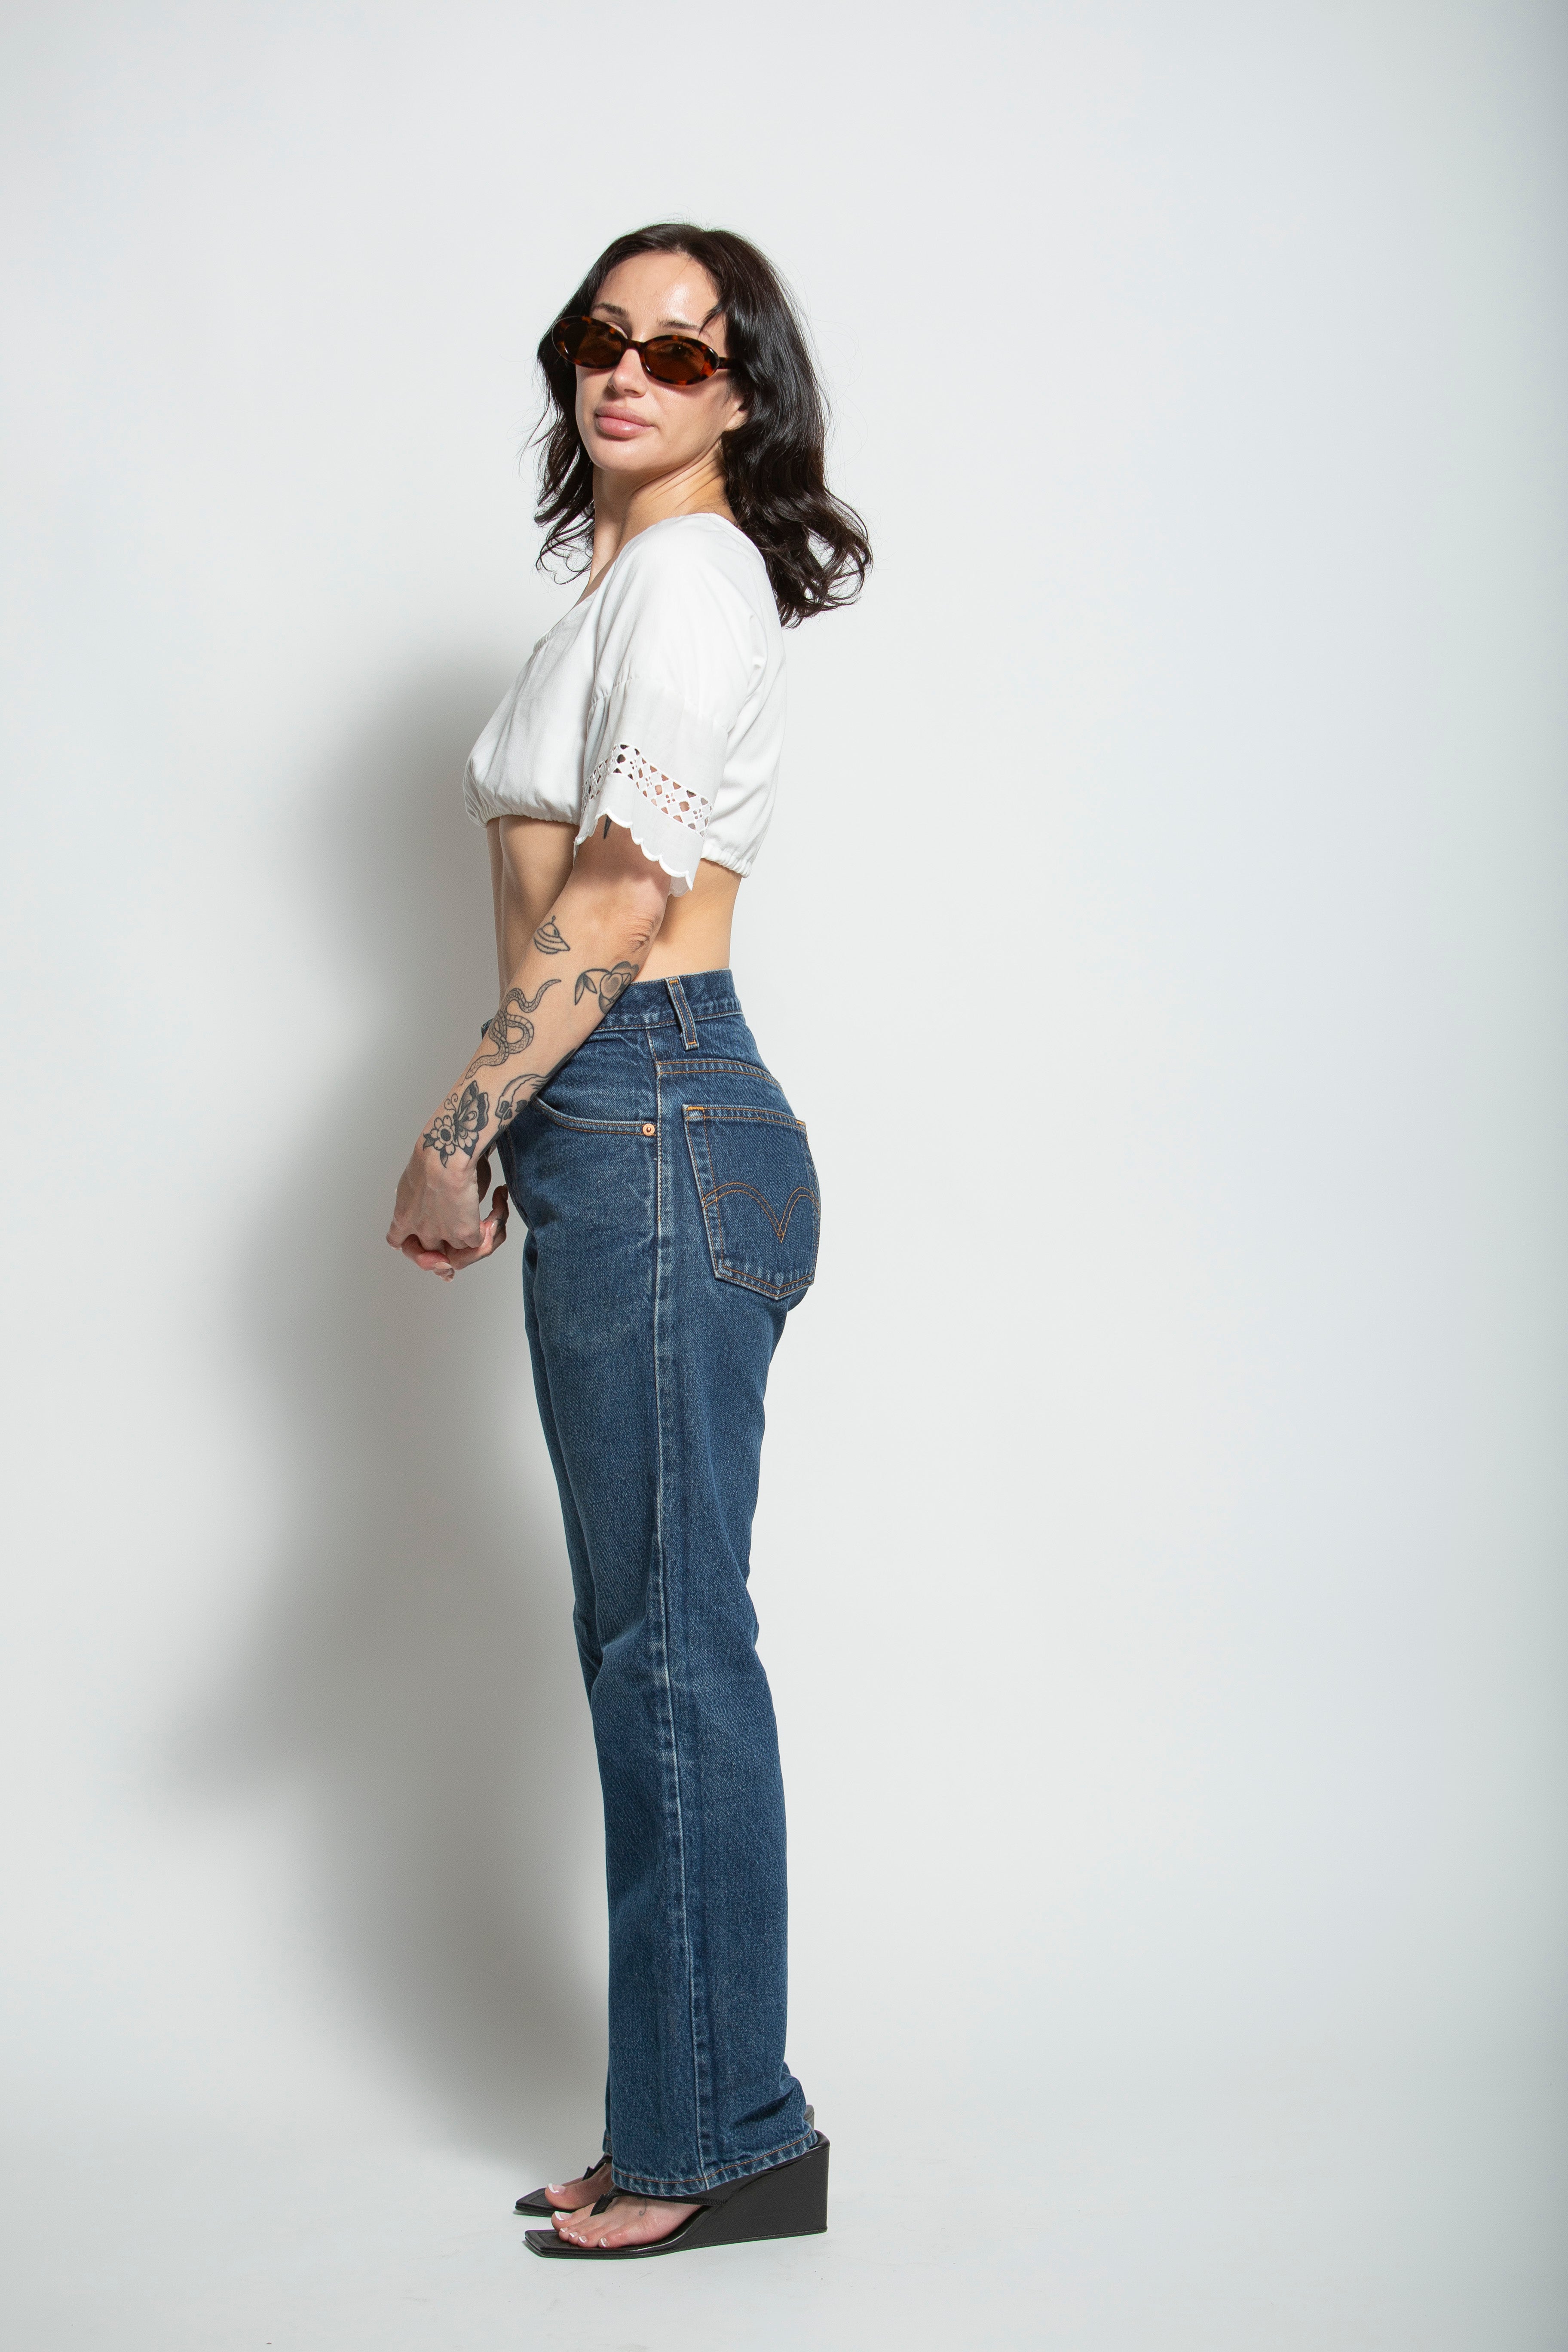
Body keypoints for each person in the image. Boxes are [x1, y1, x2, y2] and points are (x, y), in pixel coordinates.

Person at [385, 224, 870, 2260]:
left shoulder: (688, 575)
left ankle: (720, 2138)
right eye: (602, 340)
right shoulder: (624, 586)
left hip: (655, 1102)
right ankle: (685, 2110)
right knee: (650, 1640)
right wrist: (527, 1118)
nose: (629, 375)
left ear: (742, 393)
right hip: (632, 1116)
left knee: (669, 1644)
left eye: (681, 352)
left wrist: (459, 1127)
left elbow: (619, 886)